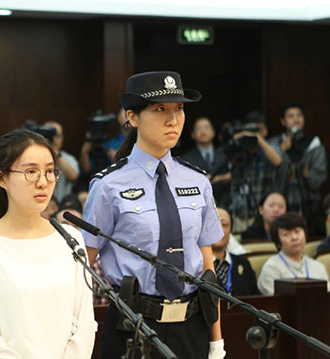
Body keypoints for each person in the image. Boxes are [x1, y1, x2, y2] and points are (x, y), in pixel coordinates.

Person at [82, 71, 225, 359]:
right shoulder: (109, 185)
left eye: (179, 108)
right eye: (160, 109)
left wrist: (216, 343)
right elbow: (83, 266)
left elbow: (207, 269)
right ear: (132, 117)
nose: (173, 120)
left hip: (192, 324)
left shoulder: (197, 181)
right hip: (132, 325)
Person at [0, 129, 96, 358]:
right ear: (1, 178)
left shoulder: (70, 238)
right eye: (31, 172)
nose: (43, 182)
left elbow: (85, 324)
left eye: (50, 172)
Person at [268, 102, 327, 235]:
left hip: (308, 204)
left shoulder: (314, 144)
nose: (296, 119)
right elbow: (269, 174)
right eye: (291, 116)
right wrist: (282, 152)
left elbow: (319, 177)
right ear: (283, 121)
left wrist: (307, 175)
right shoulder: (274, 144)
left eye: (299, 115)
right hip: (282, 203)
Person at [257, 213, 329, 295]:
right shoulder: (271, 268)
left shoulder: (318, 266)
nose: (294, 237)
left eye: (297, 231)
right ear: (278, 241)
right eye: (286, 234)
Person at [180, 117, 231, 207]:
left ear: (213, 133)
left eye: (207, 128)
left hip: (225, 205)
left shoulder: (224, 156)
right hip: (198, 206)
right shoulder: (186, 159)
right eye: (199, 129)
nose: (203, 132)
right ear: (193, 135)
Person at [213, 208, 259, 296]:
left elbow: (255, 299)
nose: (219, 229)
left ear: (230, 231)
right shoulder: (196, 265)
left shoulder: (244, 264)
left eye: (224, 224)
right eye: (213, 223)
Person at [44, 121, 80, 202]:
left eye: (57, 136)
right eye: (50, 135)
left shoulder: (68, 158)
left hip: (62, 205)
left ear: (62, 138)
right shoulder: (33, 157)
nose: (53, 139)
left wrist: (56, 155)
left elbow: (73, 176)